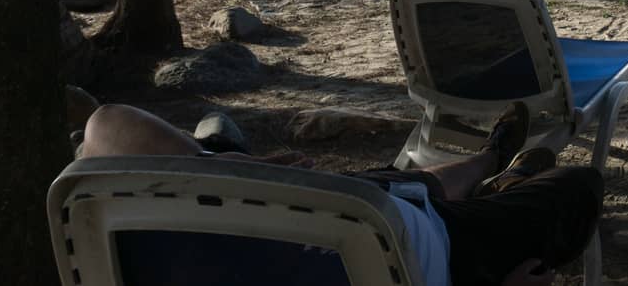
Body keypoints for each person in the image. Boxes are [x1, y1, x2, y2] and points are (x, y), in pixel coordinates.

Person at [75, 102, 601, 286]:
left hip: (346, 208)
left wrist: (225, 164)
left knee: (407, 184)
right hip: (435, 250)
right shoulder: (116, 209)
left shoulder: (110, 231)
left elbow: (106, 123)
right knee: (580, 186)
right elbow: (105, 125)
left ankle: (491, 159)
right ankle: (500, 176)